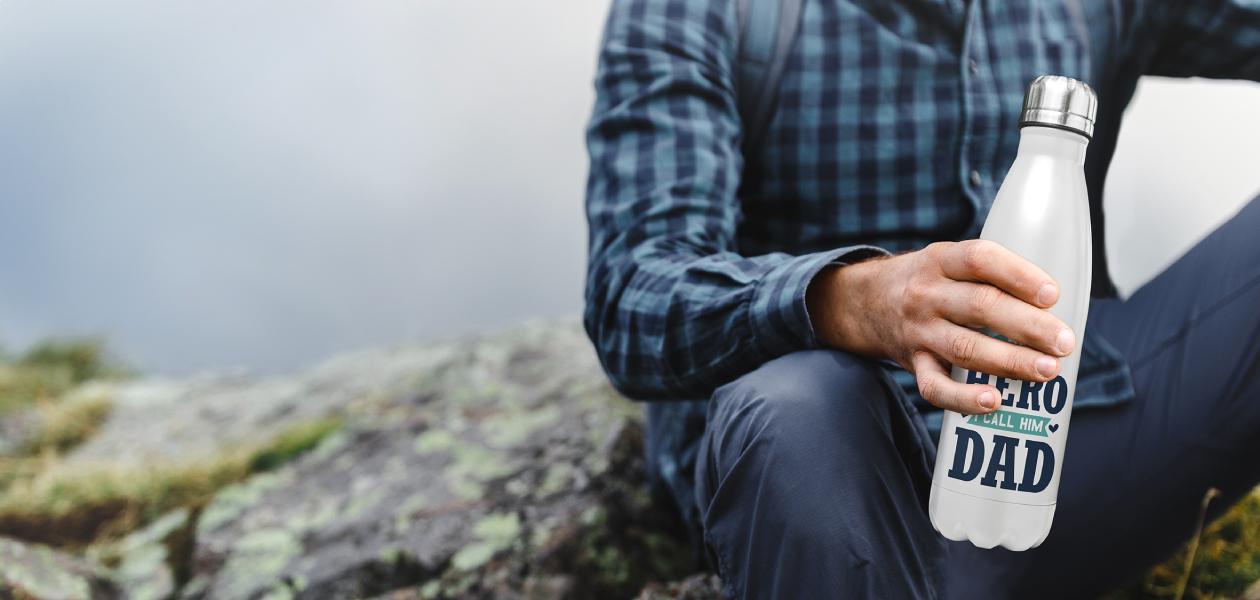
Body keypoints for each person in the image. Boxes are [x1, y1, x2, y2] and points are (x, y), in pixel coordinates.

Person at [583, 0, 1260, 597]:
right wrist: (845, 300)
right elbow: (632, 293)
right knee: (793, 407)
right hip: (835, 486)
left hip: (1066, 439)